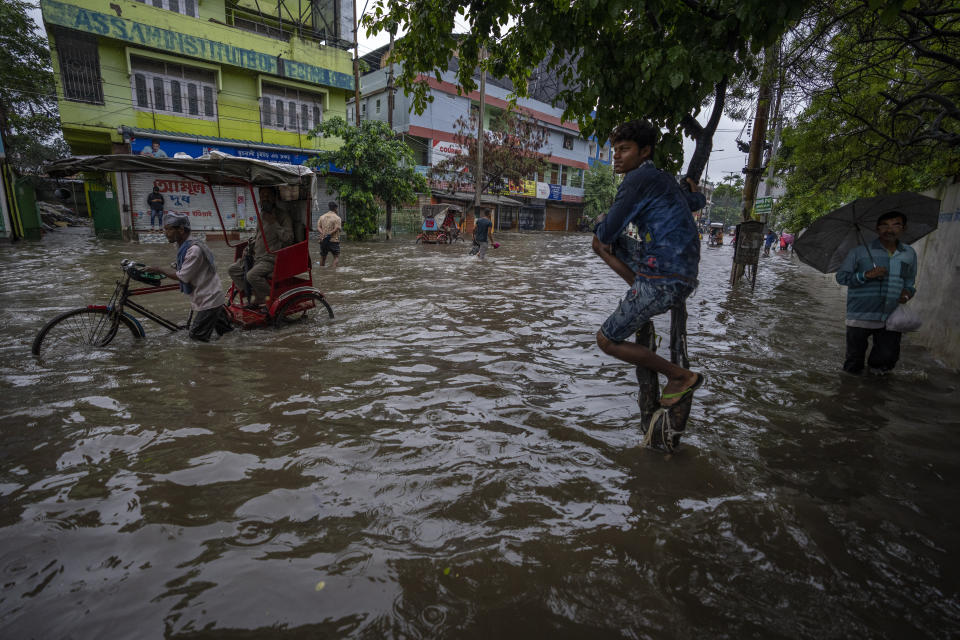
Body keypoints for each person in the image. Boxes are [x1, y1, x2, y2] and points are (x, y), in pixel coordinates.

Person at [592, 119, 705, 407]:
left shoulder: (635, 181)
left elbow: (607, 234)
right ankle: (640, 290)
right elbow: (696, 201)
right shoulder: (662, 178)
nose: (616, 155)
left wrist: (601, 221)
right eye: (615, 149)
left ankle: (679, 376)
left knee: (606, 340)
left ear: (645, 152)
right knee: (612, 244)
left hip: (665, 277)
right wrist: (695, 193)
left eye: (624, 149)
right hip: (683, 270)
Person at [835, 211, 917, 374]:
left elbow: (909, 280)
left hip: (891, 316)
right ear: (877, 229)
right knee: (853, 363)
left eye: (896, 225)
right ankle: (851, 394)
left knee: (886, 361)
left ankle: (874, 394)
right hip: (860, 314)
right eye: (884, 225)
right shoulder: (858, 252)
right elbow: (842, 277)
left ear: (903, 228)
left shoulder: (909, 253)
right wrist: (866, 275)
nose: (890, 229)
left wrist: (907, 293)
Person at [145, 212, 233, 342]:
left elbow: (183, 277)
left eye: (169, 229)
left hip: (209, 299)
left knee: (196, 338)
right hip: (209, 295)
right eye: (165, 229)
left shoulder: (194, 250)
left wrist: (159, 269)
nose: (166, 233)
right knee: (226, 333)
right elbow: (186, 266)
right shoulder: (183, 245)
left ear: (180, 230)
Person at [228, 187, 294, 309]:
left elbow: (289, 239)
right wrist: (248, 248)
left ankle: (271, 299)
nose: (264, 198)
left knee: (251, 275)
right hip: (256, 256)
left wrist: (274, 223)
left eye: (268, 195)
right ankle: (256, 294)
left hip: (271, 258)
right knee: (233, 269)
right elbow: (256, 236)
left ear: (274, 198)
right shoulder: (261, 215)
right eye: (262, 195)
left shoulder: (283, 216)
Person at [317, 201, 342, 267]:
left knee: (323, 257)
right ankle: (333, 272)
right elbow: (337, 228)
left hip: (323, 240)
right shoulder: (337, 218)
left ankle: (322, 271)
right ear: (335, 208)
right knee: (336, 257)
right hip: (333, 240)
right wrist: (329, 233)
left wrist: (323, 233)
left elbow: (318, 227)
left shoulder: (322, 217)